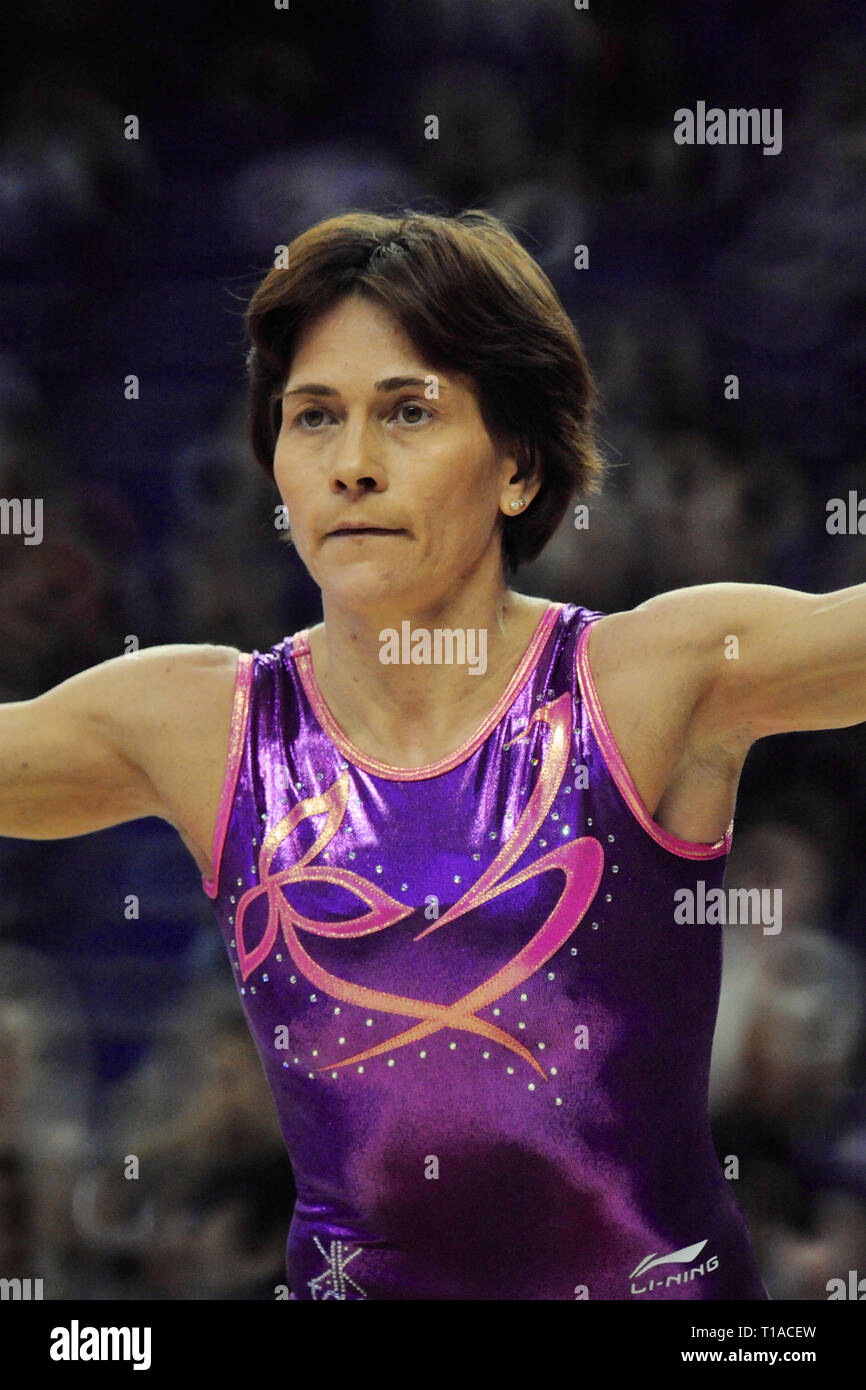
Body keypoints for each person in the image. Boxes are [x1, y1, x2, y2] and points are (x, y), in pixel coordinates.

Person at [2, 208, 864, 1300]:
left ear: (516, 464)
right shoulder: (202, 724)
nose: (351, 465)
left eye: (406, 413)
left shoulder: (646, 685)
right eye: (313, 417)